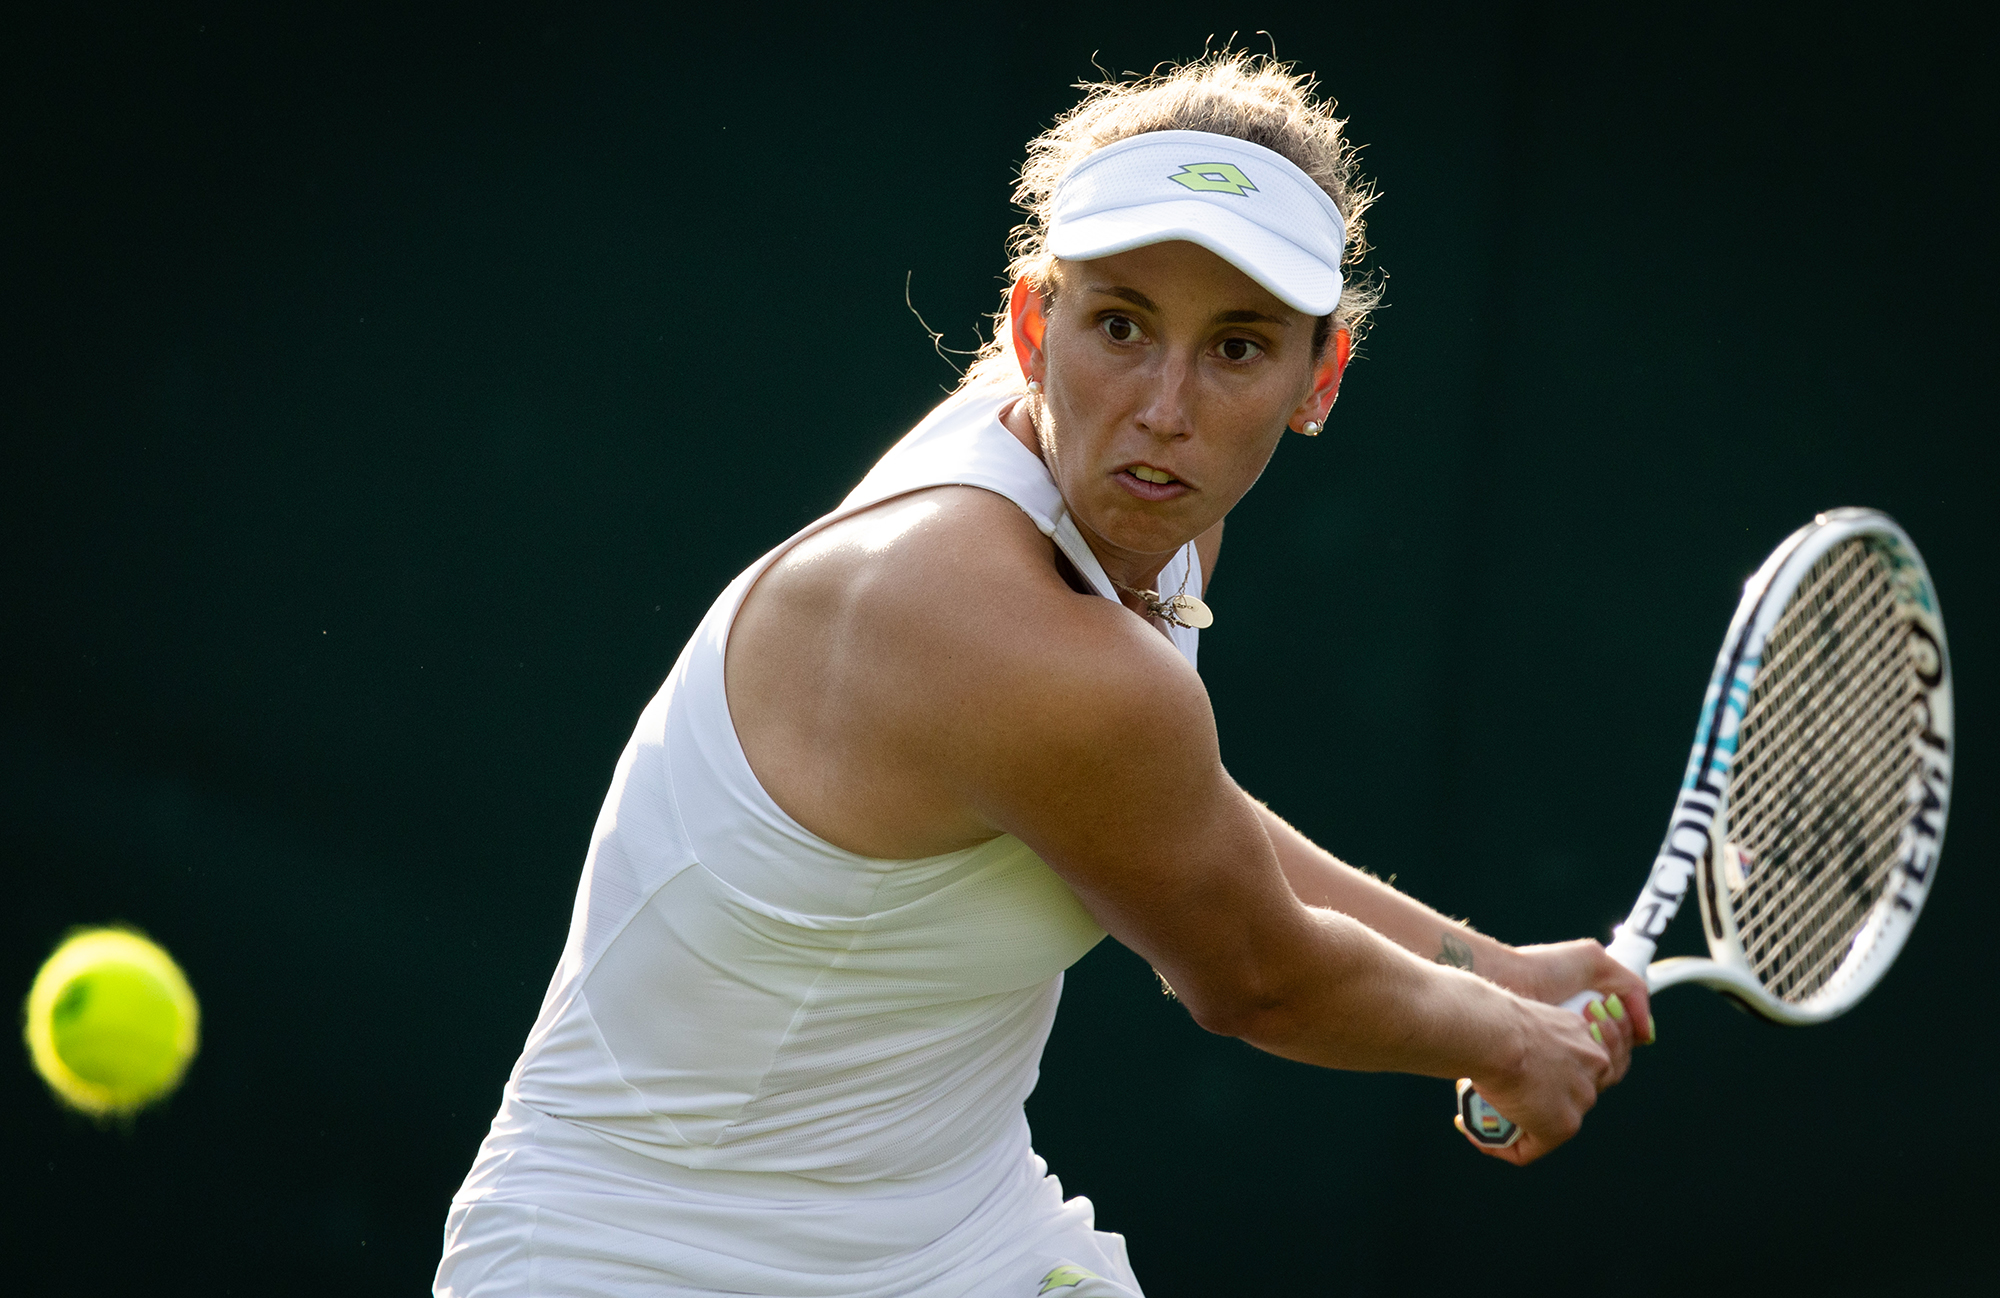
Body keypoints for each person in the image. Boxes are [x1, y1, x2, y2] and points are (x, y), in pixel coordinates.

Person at [434, 51, 1651, 1298]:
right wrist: (1509, 1040)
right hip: (635, 1262)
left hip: (947, 1233)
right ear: (1032, 324)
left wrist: (1490, 966)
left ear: (1316, 381)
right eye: (1118, 325)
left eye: (1235, 346)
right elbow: (1257, 972)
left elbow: (1180, 812)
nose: (1163, 406)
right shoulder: (993, 617)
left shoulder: (1132, 498)